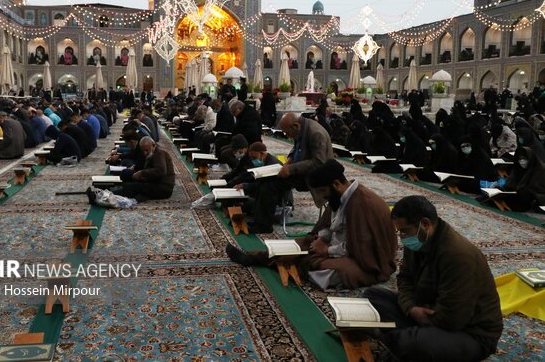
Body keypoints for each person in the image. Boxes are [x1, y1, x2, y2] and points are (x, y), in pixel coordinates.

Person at [364, 196, 503, 361]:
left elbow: (453, 318)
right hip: (425, 312)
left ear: (425, 224)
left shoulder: (459, 256)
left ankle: (397, 339)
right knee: (373, 297)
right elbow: (405, 279)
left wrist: (417, 313)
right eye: (399, 232)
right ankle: (400, 338)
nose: (402, 237)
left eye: (404, 231)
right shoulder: (417, 240)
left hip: (469, 332)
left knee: (412, 344)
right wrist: (411, 309)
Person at [227, 159, 397, 289]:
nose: (323, 196)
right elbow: (331, 225)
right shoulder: (341, 196)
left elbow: (360, 247)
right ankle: (255, 257)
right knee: (300, 244)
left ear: (336, 184)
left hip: (365, 260)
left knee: (329, 268)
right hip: (339, 247)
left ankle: (290, 262)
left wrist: (327, 249)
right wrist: (321, 239)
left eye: (323, 191)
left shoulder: (363, 204)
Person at [249, 113, 333, 233]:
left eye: (287, 133)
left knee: (270, 186)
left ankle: (264, 225)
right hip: (301, 172)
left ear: (295, 126)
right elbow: (296, 149)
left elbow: (318, 163)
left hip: (313, 177)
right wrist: (290, 160)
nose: (287, 136)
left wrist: (291, 169)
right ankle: (258, 220)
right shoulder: (301, 129)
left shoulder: (315, 133)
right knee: (264, 180)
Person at [106, 137, 175, 203]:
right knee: (129, 180)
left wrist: (142, 173)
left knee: (133, 188)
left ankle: (107, 196)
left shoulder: (159, 154)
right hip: (155, 184)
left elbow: (161, 171)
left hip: (163, 188)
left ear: (153, 146)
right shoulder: (153, 154)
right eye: (143, 151)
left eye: (147, 150)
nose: (145, 153)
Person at [501, 147, 545, 211]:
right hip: (520, 194)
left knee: (523, 193)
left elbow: (539, 189)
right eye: (519, 159)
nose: (522, 161)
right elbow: (510, 184)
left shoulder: (540, 169)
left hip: (536, 196)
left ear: (530, 158)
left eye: (524, 159)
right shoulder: (518, 168)